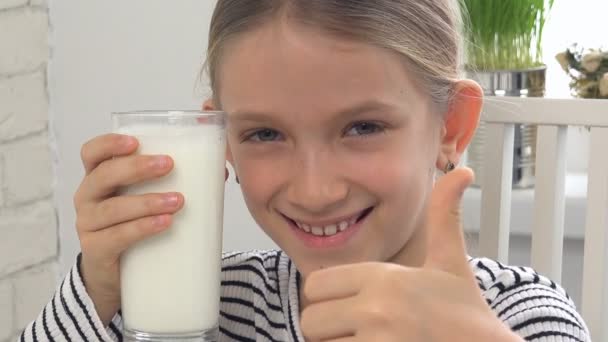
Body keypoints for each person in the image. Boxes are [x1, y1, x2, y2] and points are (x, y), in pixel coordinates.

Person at [22, 0, 590, 341]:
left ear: (451, 127)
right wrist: (97, 289)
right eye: (264, 134)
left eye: (363, 127)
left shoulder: (522, 316)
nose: (315, 191)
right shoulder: (205, 307)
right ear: (220, 143)